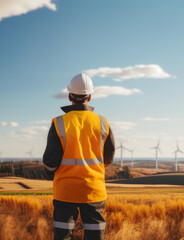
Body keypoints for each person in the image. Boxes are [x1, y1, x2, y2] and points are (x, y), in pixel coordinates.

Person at [43, 73, 115, 240]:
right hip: (94, 191)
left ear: (69, 96)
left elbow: (50, 160)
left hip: (65, 192)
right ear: (89, 96)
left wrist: (50, 174)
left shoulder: (59, 122)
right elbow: (108, 157)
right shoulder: (103, 122)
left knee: (63, 237)